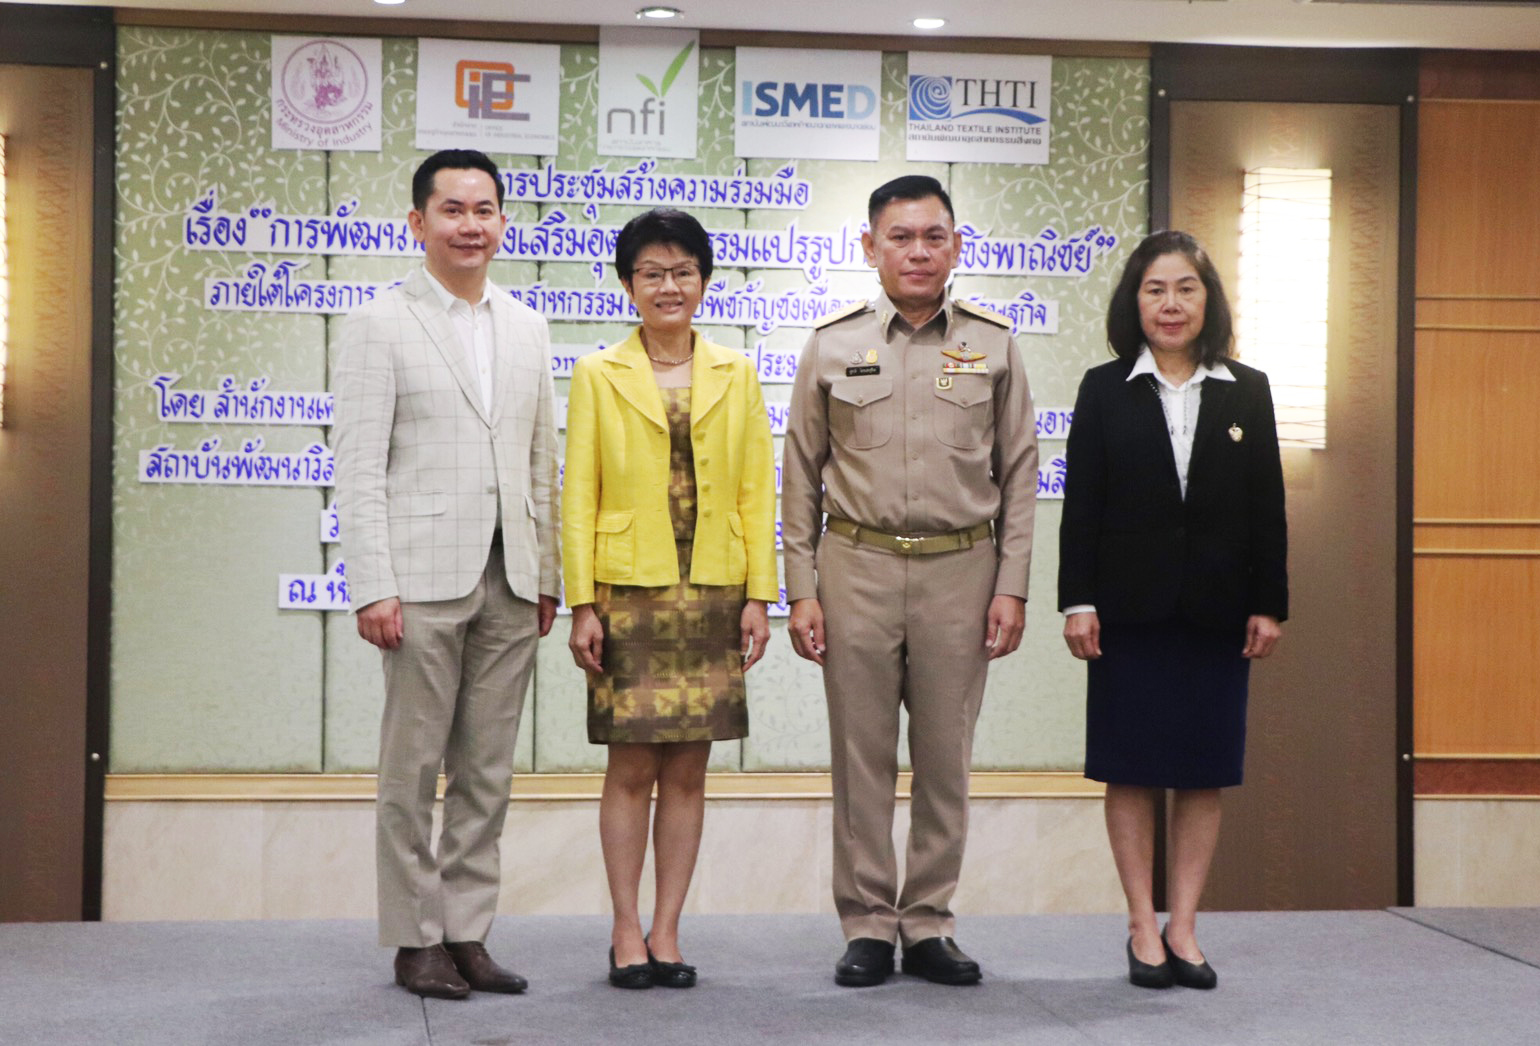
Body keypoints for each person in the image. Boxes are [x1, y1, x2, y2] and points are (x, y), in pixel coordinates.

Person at [781, 176, 1038, 988]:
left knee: (944, 758)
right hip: (853, 566)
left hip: (963, 571)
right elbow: (800, 475)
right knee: (859, 759)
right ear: (870, 248)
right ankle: (866, 924)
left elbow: (1022, 471)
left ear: (957, 245)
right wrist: (800, 588)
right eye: (901, 237)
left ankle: (927, 922)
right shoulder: (831, 344)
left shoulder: (996, 343)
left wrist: (1014, 586)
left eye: (934, 236)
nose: (918, 251)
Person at [332, 149, 560, 1000]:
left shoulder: (528, 327)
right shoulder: (377, 322)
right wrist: (372, 583)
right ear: (417, 223)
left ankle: (467, 931)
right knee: (412, 769)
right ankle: (413, 937)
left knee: (488, 771)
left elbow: (543, 462)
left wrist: (548, 577)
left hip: (512, 577)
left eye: (486, 209)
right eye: (453, 209)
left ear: (504, 223)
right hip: (420, 582)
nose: (472, 224)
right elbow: (357, 467)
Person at [1058, 230, 1288, 991]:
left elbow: (1268, 508)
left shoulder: (1246, 388)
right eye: (1154, 289)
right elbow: (1081, 507)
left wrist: (1269, 603)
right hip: (1127, 611)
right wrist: (1078, 601)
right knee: (1130, 769)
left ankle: (1183, 925)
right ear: (1135, 301)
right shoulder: (1103, 387)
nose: (1170, 303)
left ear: (1208, 300)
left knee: (1201, 772)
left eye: (1185, 288)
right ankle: (1138, 922)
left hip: (1218, 612)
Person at [562, 208, 777, 990]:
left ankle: (668, 929)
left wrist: (762, 596)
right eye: (652, 273)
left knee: (689, 771)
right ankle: (624, 928)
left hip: (715, 591)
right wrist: (582, 602)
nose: (668, 285)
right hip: (630, 593)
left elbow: (759, 491)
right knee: (629, 769)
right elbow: (577, 493)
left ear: (705, 282)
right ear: (628, 285)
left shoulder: (738, 372)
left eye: (683, 271)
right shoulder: (597, 373)